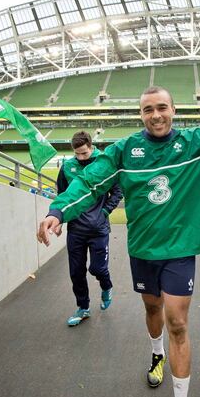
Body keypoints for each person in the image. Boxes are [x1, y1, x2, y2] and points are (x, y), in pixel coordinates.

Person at [38, 59, 200, 397]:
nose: (156, 115)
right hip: (143, 249)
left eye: (161, 108)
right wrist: (58, 211)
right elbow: (88, 181)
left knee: (178, 322)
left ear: (173, 109)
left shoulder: (196, 143)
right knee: (153, 310)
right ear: (140, 115)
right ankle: (156, 352)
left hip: (180, 248)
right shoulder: (124, 150)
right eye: (148, 110)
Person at [56, 131, 123, 326]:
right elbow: (62, 195)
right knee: (76, 272)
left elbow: (118, 190)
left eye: (84, 153)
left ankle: (107, 286)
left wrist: (105, 212)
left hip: (98, 229)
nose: (81, 157)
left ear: (91, 147)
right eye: (77, 154)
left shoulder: (103, 163)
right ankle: (83, 307)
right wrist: (60, 219)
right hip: (76, 229)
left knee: (97, 268)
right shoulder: (67, 167)